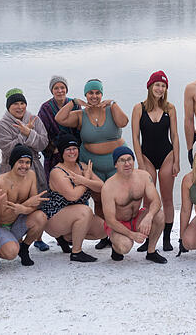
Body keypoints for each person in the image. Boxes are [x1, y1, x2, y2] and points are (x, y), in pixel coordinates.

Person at [55, 78, 129, 249]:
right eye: (90, 93)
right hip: (92, 163)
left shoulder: (111, 109)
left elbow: (123, 122)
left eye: (97, 92)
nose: (94, 96)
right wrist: (73, 102)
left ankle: (119, 232)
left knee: (117, 199)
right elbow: (60, 118)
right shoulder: (81, 114)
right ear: (86, 95)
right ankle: (105, 235)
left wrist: (114, 103)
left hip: (114, 163)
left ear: (102, 94)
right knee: (98, 200)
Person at [0, 87, 50, 251]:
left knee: (37, 199)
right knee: (10, 201)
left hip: (34, 164)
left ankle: (37, 238)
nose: (19, 107)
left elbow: (43, 143)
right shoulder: (2, 125)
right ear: (8, 107)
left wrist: (29, 133)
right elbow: (8, 149)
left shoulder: (34, 119)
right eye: (15, 104)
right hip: (10, 168)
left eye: (22, 103)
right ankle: (6, 234)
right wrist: (25, 133)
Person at [131, 70, 180, 252]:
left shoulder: (170, 108)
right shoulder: (139, 108)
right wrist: (140, 164)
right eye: (157, 85)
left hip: (167, 155)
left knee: (167, 198)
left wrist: (177, 159)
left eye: (163, 86)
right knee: (148, 200)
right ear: (150, 86)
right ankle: (147, 239)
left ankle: (166, 238)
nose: (160, 89)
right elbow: (135, 137)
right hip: (146, 157)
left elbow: (174, 136)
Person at [41, 134, 107, 262]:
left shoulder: (83, 166)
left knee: (103, 230)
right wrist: (86, 180)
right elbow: (72, 196)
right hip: (54, 217)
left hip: (75, 216)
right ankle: (76, 252)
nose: (72, 152)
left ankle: (66, 237)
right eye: (68, 149)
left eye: (74, 148)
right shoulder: (57, 172)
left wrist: (83, 179)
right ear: (61, 152)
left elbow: (101, 186)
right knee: (85, 210)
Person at [101, 146, 168, 264]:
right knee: (125, 246)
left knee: (159, 215)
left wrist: (149, 216)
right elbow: (110, 220)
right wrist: (132, 235)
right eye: (122, 160)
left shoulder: (144, 176)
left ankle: (151, 252)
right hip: (118, 224)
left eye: (129, 159)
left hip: (137, 218)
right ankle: (115, 248)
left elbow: (156, 201)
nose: (127, 164)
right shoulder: (108, 187)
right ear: (115, 164)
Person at [0, 144, 49, 266]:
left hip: (17, 220)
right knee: (10, 253)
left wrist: (23, 208)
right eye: (21, 162)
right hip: (1, 226)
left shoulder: (31, 176)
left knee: (41, 217)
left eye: (27, 162)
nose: (24, 166)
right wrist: (26, 204)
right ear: (13, 162)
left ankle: (24, 248)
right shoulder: (1, 182)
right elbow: (3, 217)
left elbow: (35, 203)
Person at [38, 75, 82, 176]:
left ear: (66, 89)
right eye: (56, 88)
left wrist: (76, 147)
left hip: (72, 149)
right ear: (52, 91)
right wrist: (52, 149)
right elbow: (42, 131)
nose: (60, 91)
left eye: (62, 88)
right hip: (55, 150)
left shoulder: (75, 105)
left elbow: (80, 128)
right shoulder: (46, 108)